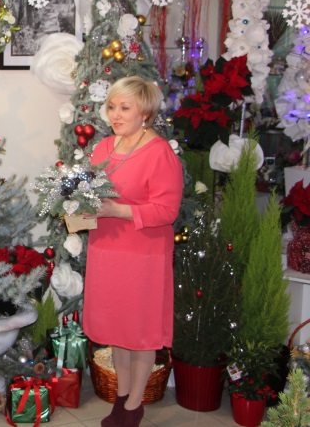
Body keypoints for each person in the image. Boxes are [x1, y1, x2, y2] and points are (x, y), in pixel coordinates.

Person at [82, 76, 183, 427]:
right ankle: (121, 399)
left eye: (125, 108)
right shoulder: (102, 148)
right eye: (112, 107)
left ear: (145, 113)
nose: (115, 114)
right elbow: (89, 196)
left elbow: (167, 211)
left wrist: (118, 210)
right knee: (118, 331)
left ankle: (134, 405)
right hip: (106, 251)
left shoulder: (159, 152)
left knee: (140, 333)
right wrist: (78, 209)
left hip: (143, 256)